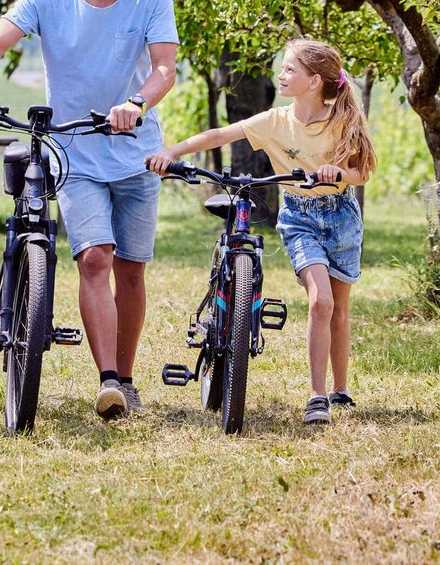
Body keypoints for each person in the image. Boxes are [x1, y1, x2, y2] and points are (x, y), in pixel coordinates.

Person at [0, 0, 178, 420]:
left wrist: (136, 103)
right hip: (74, 153)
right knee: (94, 258)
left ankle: (127, 377)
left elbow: (165, 67)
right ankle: (108, 381)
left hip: (136, 150)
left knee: (131, 270)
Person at [145, 39, 377, 425]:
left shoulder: (341, 120)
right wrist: (171, 152)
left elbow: (363, 172)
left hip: (341, 217)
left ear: (314, 81)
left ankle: (340, 389)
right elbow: (220, 135)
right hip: (300, 218)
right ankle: (317, 396)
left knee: (338, 307)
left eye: (289, 70)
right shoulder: (275, 121)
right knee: (320, 302)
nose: (280, 75)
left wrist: (340, 174)